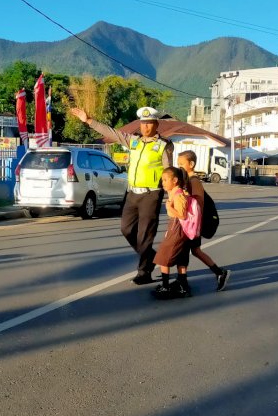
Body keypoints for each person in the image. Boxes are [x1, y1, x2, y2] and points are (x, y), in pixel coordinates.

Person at [70, 105, 173, 284]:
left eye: (149, 123)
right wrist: (89, 121)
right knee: (126, 229)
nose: (145, 127)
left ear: (156, 124)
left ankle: (144, 272)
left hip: (151, 194)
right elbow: (112, 133)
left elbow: (169, 172)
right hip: (132, 193)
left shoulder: (163, 145)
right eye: (143, 123)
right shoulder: (134, 141)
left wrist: (173, 194)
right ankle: (149, 256)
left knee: (145, 235)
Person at [177, 150, 231, 291]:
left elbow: (198, 203)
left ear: (191, 164)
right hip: (192, 223)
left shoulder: (194, 181)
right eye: (178, 164)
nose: (179, 167)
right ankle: (219, 272)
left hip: (193, 223)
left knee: (185, 250)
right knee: (195, 250)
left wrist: (195, 225)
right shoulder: (187, 180)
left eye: (181, 164)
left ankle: (182, 281)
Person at [152, 167, 192, 299]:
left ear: (175, 180)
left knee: (164, 257)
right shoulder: (175, 193)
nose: (162, 182)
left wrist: (169, 207)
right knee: (181, 257)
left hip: (177, 229)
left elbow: (182, 215)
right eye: (162, 180)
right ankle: (183, 286)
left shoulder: (179, 195)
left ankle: (165, 286)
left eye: (165, 180)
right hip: (177, 229)